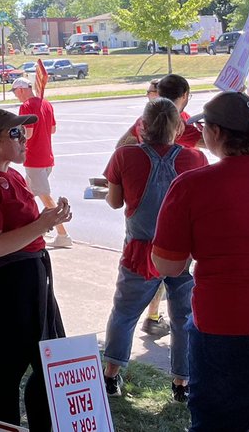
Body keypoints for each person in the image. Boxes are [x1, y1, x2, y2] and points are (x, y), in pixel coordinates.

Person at [154, 90, 249, 430]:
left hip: (222, 324)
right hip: (223, 322)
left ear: (215, 133)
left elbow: (168, 265)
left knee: (219, 421)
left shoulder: (192, 185)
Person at [0, 108, 72, 432]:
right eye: (15, 133)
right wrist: (41, 224)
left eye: (24, 132)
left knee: (47, 362)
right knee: (8, 368)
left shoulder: (13, 175)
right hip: (5, 286)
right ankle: (4, 426)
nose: (24, 139)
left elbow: (27, 227)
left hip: (32, 279)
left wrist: (50, 218)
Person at [99, 97, 204, 400]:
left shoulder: (124, 156)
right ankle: (182, 384)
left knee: (125, 313)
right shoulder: (194, 158)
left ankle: (111, 376)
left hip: (141, 250)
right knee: (184, 317)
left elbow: (115, 201)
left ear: (142, 125)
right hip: (182, 251)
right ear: (178, 126)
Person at [12, 76, 72, 248]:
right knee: (27, 195)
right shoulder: (46, 104)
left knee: (45, 197)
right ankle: (34, 228)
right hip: (47, 157)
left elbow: (27, 134)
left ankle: (63, 234)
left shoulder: (26, 106)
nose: (16, 96)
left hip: (34, 159)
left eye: (16, 92)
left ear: (21, 90)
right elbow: (53, 129)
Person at [118, 74, 202, 150]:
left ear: (159, 93)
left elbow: (120, 145)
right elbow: (212, 143)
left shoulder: (144, 118)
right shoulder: (179, 125)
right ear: (184, 95)